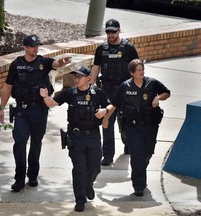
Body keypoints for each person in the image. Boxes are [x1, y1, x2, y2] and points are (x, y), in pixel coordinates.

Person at [0, 34, 71, 192]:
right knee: (20, 142)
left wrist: (62, 61)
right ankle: (19, 178)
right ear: (25, 47)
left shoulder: (42, 62)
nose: (36, 48)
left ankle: (32, 175)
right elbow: (7, 87)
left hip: (39, 110)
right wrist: (2, 107)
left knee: (36, 143)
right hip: (22, 110)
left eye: (37, 45)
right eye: (33, 46)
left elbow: (55, 63)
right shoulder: (16, 65)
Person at [40, 66, 110, 212]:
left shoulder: (97, 93)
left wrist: (105, 112)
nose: (77, 79)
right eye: (75, 77)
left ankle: (88, 185)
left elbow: (110, 105)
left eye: (80, 77)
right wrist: (45, 96)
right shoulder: (70, 93)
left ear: (88, 78)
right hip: (75, 136)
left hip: (93, 136)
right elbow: (52, 103)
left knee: (95, 167)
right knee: (79, 169)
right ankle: (80, 199)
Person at [99, 59, 170, 196]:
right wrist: (106, 118)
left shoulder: (152, 83)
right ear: (132, 73)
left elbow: (167, 92)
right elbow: (114, 104)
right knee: (137, 154)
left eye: (143, 69)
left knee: (148, 153)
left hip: (150, 126)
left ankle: (140, 171)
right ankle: (139, 185)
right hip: (133, 127)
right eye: (139, 70)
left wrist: (158, 98)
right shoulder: (125, 87)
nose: (142, 72)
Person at [90, 18, 139, 166]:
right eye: (108, 32)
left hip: (124, 89)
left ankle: (128, 143)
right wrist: (90, 87)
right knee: (107, 121)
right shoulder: (101, 49)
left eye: (113, 31)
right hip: (107, 90)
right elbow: (95, 68)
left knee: (125, 121)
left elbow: (136, 69)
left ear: (119, 30)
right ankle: (107, 155)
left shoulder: (129, 48)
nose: (110, 35)